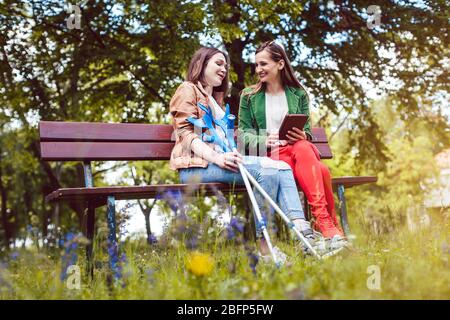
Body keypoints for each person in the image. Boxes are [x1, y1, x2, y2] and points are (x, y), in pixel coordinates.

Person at [169, 46, 322, 260]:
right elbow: (186, 133)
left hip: (221, 162)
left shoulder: (216, 100)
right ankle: (266, 247)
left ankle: (302, 232)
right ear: (201, 64)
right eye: (218, 63)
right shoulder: (187, 89)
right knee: (265, 168)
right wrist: (218, 158)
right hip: (197, 166)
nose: (224, 69)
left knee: (281, 166)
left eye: (226, 66)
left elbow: (228, 139)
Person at [238, 40, 346, 246]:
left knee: (304, 146)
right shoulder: (248, 96)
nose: (258, 69)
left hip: (297, 151)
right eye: (256, 65)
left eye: (263, 64)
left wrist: (303, 136)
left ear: (280, 64)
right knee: (322, 171)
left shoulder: (299, 93)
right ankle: (329, 226)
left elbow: (306, 130)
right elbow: (243, 136)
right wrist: (263, 139)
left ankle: (324, 223)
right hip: (271, 157)